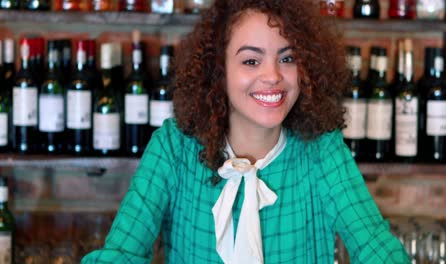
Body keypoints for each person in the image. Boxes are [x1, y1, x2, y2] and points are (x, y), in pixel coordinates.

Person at [82, 0, 410, 263]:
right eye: (251, 61)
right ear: (218, 71)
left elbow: (375, 244)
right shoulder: (173, 147)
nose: (272, 76)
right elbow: (122, 252)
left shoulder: (322, 150)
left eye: (288, 58)